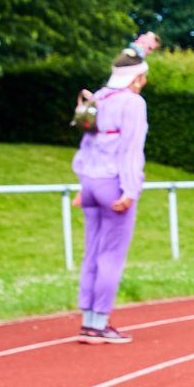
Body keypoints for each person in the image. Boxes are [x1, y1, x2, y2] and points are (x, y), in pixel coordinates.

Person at [67, 36, 157, 343]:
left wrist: (82, 186)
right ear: (136, 78)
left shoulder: (100, 97)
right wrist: (131, 190)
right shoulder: (133, 103)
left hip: (90, 182)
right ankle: (100, 323)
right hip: (112, 184)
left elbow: (87, 143)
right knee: (111, 256)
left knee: (92, 252)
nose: (143, 83)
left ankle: (88, 320)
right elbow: (132, 150)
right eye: (143, 78)